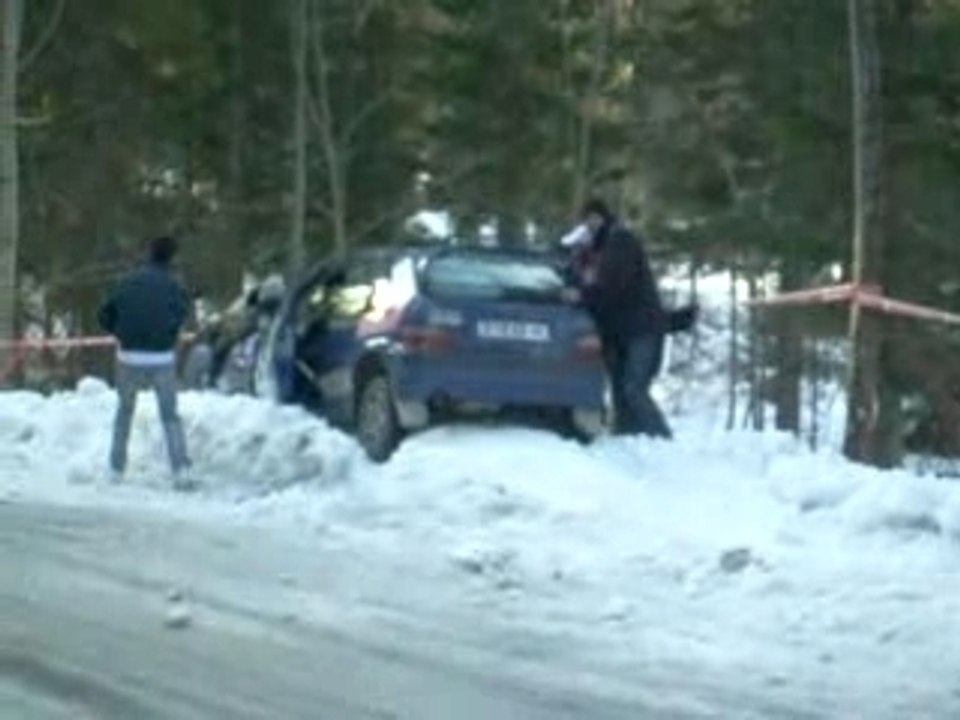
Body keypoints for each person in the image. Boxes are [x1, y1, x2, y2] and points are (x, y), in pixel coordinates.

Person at [565, 198, 696, 438]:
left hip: (641, 330)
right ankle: (631, 438)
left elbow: (613, 286)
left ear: (599, 218)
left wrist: (582, 295)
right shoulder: (593, 250)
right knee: (620, 390)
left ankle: (662, 440)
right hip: (620, 331)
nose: (588, 226)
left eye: (591, 220)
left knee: (633, 388)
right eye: (585, 223)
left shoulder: (620, 242)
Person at [98, 236, 193, 487]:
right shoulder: (175, 286)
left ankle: (116, 467)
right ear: (172, 258)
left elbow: (105, 313)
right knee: (170, 415)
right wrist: (169, 334)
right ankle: (180, 469)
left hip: (129, 356)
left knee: (125, 411)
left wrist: (120, 333)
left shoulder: (127, 282)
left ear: (149, 253)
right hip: (162, 357)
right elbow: (183, 313)